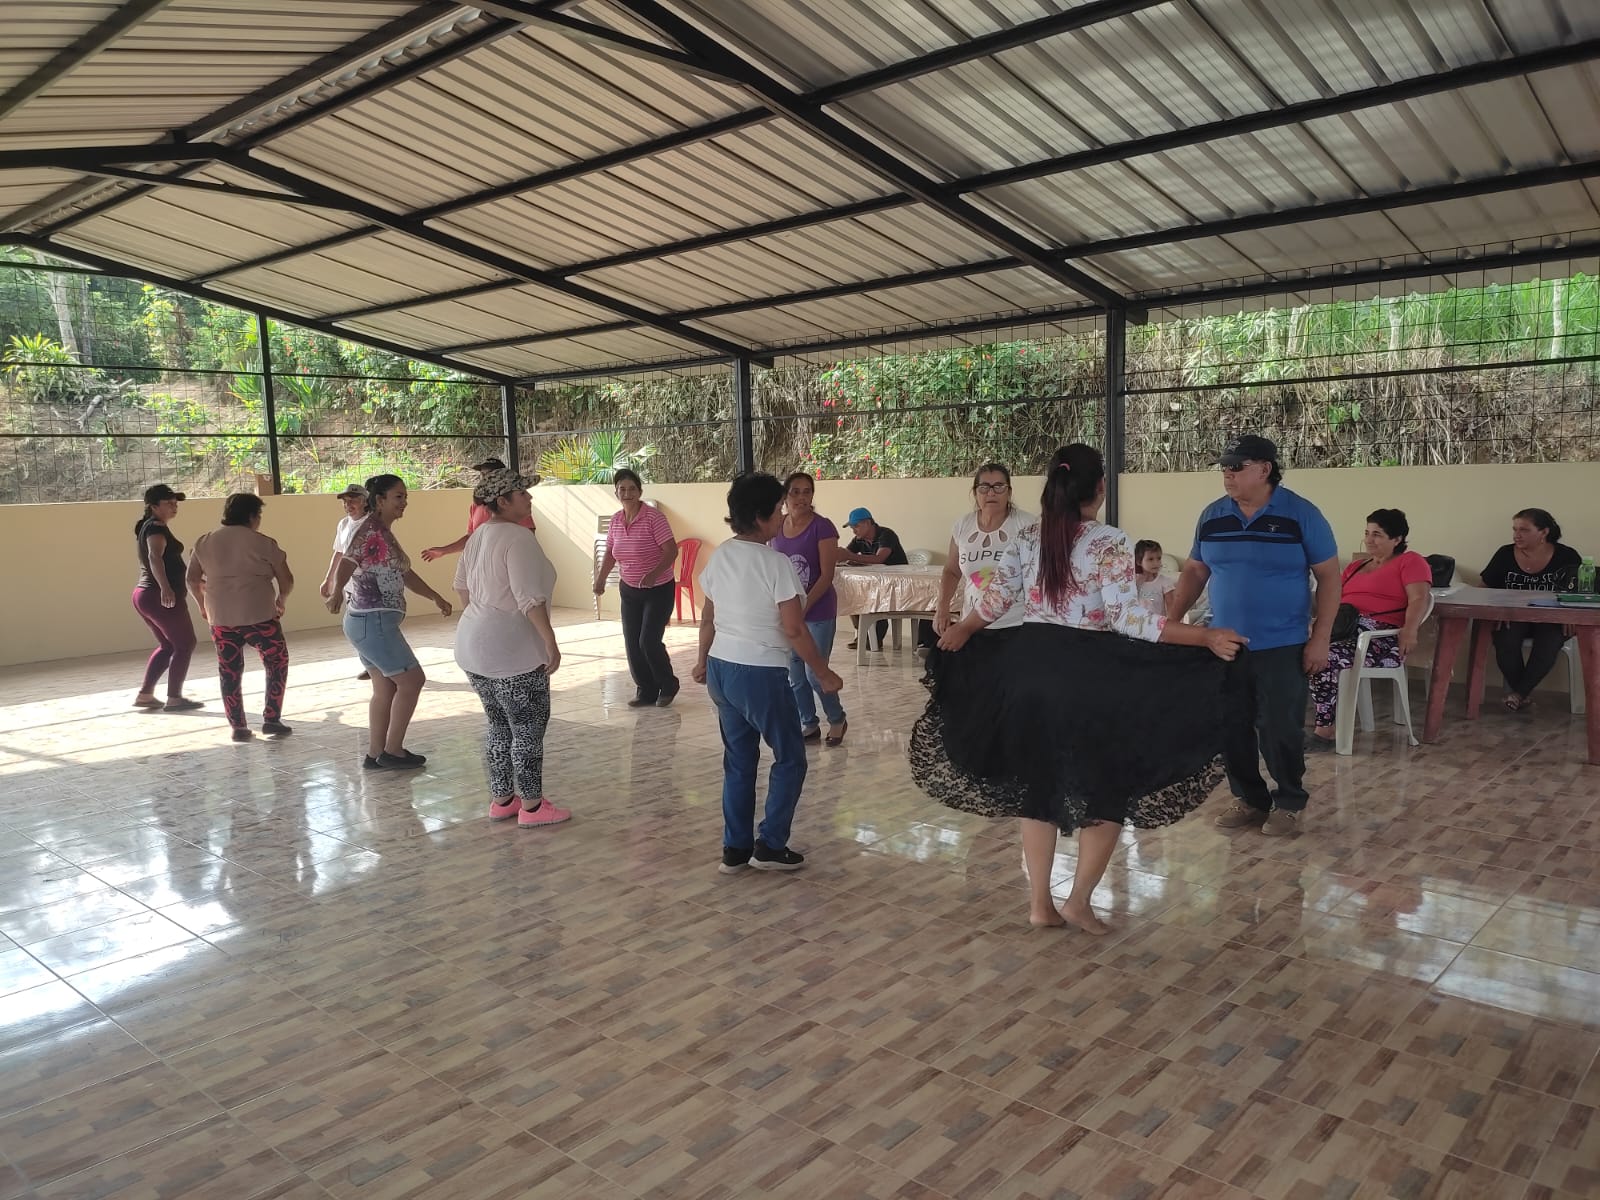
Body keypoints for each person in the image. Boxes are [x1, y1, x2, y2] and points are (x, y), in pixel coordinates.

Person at [915, 445, 1246, 933]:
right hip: (1087, 673)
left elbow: (995, 600)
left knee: (1039, 787)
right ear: (1099, 488)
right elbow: (1127, 618)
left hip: (1029, 669)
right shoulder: (1108, 541)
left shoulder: (1027, 535)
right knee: (1107, 787)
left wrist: (963, 630)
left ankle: (1039, 905)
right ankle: (1078, 902)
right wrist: (1205, 636)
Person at [1167, 435, 1340, 837]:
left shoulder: (1302, 514)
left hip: (1282, 643)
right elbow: (1195, 570)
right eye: (1224, 467)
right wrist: (1171, 623)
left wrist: (1321, 637)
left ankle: (1289, 800)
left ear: (1264, 469)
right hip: (1224, 644)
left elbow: (1330, 576)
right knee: (1231, 725)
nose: (1227, 474)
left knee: (1280, 728)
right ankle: (1249, 798)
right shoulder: (1213, 515)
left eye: (1236, 467)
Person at [693, 472, 844, 874]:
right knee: (791, 758)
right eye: (777, 510)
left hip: (721, 670)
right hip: (759, 673)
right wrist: (823, 673)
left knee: (739, 761)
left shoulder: (721, 555)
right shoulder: (776, 563)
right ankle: (771, 845)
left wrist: (702, 660)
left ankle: (735, 849)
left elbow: (708, 617)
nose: (782, 516)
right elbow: (794, 629)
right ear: (760, 517)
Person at [453, 467, 569, 827]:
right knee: (527, 729)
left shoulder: (478, 536)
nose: (529, 498)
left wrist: (483, 619)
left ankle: (502, 799)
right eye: (522, 493)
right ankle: (532, 808)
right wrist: (550, 641)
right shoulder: (519, 538)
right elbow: (529, 598)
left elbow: (461, 587)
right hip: (512, 651)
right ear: (503, 501)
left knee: (498, 725)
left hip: (473, 645)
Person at [325, 473, 453, 770]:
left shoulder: (382, 532)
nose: (404, 502)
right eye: (398, 496)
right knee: (412, 681)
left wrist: (435, 596)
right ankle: (393, 751)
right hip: (373, 622)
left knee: (385, 688)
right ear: (379, 500)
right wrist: (335, 592)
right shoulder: (371, 530)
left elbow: (404, 573)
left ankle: (375, 754)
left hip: (365, 623)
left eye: (405, 496)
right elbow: (347, 561)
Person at [1307, 509, 1433, 746]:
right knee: (1293, 649)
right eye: (1367, 533)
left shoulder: (1411, 561)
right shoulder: (1356, 566)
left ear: (1397, 539)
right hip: (1344, 630)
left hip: (1380, 640)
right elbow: (1334, 599)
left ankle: (1326, 729)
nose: (1369, 540)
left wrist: (1410, 630)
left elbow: (1419, 598)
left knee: (1325, 656)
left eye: (1377, 534)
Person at [188, 493, 295, 743]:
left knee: (229, 670)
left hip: (221, 617)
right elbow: (286, 579)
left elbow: (192, 579)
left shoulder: (204, 542)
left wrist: (202, 606)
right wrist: (281, 599)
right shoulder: (264, 543)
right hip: (260, 615)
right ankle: (271, 719)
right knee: (276, 662)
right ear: (252, 516)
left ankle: (238, 726)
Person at [769, 471, 847, 745]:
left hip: (818, 610)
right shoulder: (777, 526)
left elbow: (826, 576)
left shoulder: (822, 527)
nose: (802, 497)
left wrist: (803, 606)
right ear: (785, 496)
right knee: (795, 673)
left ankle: (836, 719)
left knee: (816, 671)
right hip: (789, 611)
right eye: (795, 492)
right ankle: (809, 723)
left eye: (807, 492)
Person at [593, 469, 681, 708]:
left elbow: (671, 551)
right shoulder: (616, 520)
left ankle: (668, 684)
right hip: (629, 589)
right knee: (632, 642)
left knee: (648, 641)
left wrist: (653, 574)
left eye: (632, 488)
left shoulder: (654, 518)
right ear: (616, 493)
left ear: (640, 492)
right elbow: (610, 553)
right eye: (622, 489)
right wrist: (600, 579)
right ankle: (646, 689)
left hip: (658, 588)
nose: (627, 493)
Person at [1481, 507, 1583, 711]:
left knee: (1548, 642)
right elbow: (1484, 588)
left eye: (1524, 530)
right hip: (1513, 616)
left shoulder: (1567, 556)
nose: (1516, 535)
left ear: (1544, 532)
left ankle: (1518, 694)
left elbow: (1581, 593)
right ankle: (1522, 694)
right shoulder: (1505, 554)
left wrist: (1571, 615)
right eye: (1515, 529)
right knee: (1505, 641)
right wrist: (1496, 609)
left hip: (1553, 618)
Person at [935, 462, 1032, 635]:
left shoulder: (1027, 525)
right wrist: (942, 608)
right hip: (971, 625)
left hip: (1016, 625)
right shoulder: (962, 525)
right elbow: (951, 571)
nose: (991, 493)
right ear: (975, 492)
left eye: (999, 487)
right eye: (984, 487)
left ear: (1009, 492)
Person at [130, 483, 201, 712]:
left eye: (175, 502)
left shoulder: (149, 526)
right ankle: (174, 698)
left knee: (169, 645)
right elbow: (155, 557)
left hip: (145, 596)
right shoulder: (156, 527)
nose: (174, 506)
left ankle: (145, 695)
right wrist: (165, 588)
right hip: (157, 596)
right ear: (153, 506)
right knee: (185, 644)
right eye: (168, 503)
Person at [421, 457, 537, 561]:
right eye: (482, 474)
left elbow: (528, 538)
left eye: (489, 474)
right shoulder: (475, 506)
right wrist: (444, 551)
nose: (484, 478)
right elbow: (471, 538)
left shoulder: (516, 507)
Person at [320, 483, 371, 680]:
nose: (348, 505)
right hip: (349, 586)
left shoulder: (372, 524)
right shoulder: (343, 524)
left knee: (368, 627)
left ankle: (378, 664)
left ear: (365, 502)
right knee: (355, 627)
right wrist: (329, 579)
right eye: (345, 501)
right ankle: (369, 664)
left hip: (368, 585)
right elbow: (339, 553)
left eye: (353, 500)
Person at [840, 506, 908, 651]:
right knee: (851, 595)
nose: (854, 530)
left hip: (897, 584)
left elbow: (879, 559)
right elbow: (845, 554)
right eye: (852, 527)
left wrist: (850, 557)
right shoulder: (858, 540)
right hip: (876, 584)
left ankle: (874, 637)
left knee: (873, 599)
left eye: (856, 526)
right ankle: (864, 633)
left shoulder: (886, 535)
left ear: (868, 523)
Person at [1134, 539, 1176, 613]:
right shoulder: (1132, 582)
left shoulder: (1165, 582)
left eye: (1159, 558)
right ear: (1139, 561)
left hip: (1158, 620)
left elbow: (1172, 608)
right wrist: (1137, 583)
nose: (1156, 563)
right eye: (1150, 559)